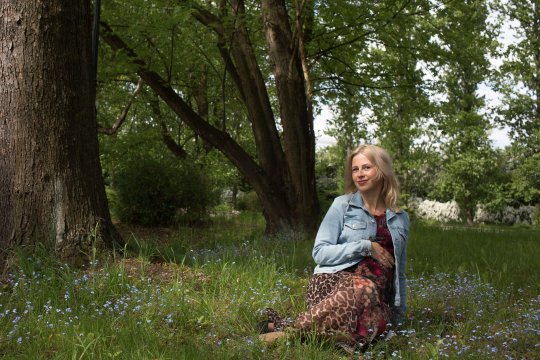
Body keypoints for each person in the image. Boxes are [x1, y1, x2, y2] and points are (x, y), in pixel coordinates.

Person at [259, 144, 410, 349]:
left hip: (375, 296)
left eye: (366, 167)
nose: (359, 174)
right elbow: (320, 253)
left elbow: (398, 272)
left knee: (377, 329)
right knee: (363, 288)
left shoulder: (401, 218)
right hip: (333, 284)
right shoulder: (342, 205)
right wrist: (365, 247)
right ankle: (289, 335)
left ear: (382, 171)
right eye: (355, 169)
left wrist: (398, 317)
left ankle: (282, 327)